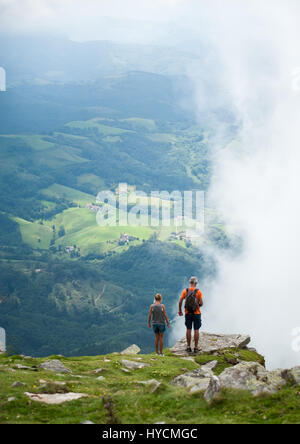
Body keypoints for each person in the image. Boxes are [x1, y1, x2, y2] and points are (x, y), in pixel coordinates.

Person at [178, 276, 203, 353]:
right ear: (196, 283)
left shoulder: (185, 291)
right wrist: (197, 306)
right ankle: (196, 347)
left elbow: (180, 301)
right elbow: (201, 303)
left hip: (187, 313)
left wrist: (180, 311)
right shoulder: (198, 292)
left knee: (188, 329)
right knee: (196, 330)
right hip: (196, 313)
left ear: (190, 282)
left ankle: (188, 346)